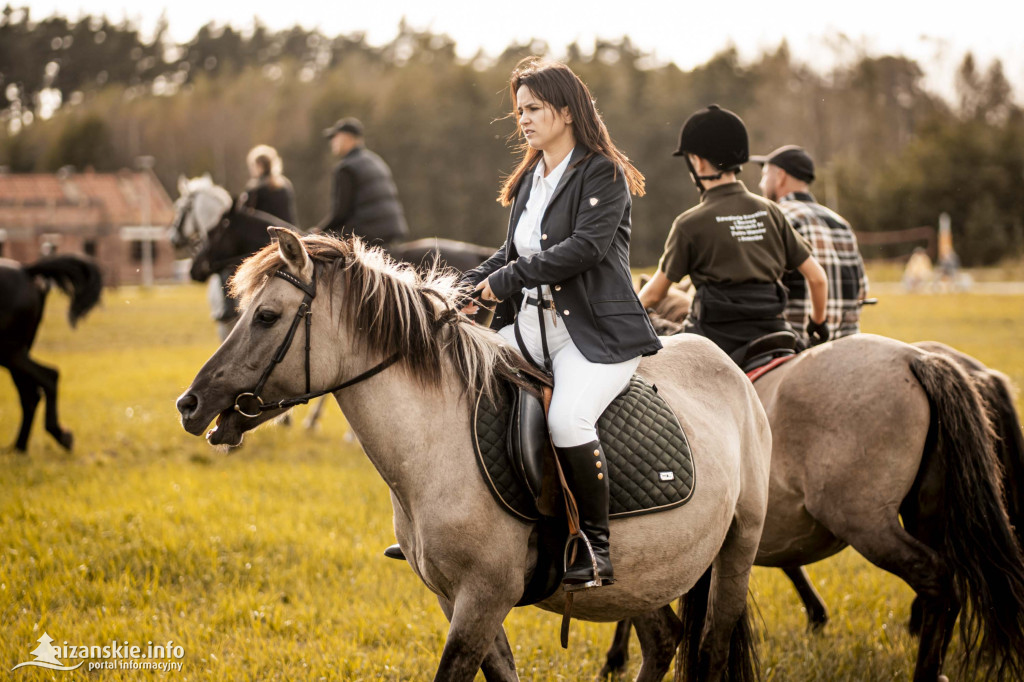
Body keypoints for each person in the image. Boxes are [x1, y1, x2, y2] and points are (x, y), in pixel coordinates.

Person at [460, 57, 662, 591]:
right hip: (528, 329)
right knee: (457, 383)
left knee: (568, 420)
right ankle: (455, 528)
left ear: (567, 111)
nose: (523, 119)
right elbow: (509, 252)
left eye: (534, 108)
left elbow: (585, 249)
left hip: (593, 335)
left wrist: (505, 280)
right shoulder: (531, 177)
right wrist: (460, 287)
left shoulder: (603, 171)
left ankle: (593, 547)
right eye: (519, 110)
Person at [638, 105, 829, 359]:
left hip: (715, 341)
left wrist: (625, 313)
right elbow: (817, 279)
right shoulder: (772, 212)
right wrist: (817, 326)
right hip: (774, 333)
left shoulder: (689, 223)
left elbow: (655, 294)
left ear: (697, 161)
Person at [754, 145, 867, 343]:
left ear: (780, 176)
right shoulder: (841, 223)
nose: (761, 184)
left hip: (796, 346)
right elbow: (862, 291)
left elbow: (759, 290)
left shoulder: (775, 219)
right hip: (845, 344)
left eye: (764, 175)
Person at [315, 117, 408, 250]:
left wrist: (318, 231)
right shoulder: (376, 160)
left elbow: (340, 214)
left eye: (335, 137)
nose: (332, 142)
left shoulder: (346, 168)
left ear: (347, 138)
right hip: (392, 232)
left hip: (368, 234)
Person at [240, 144, 299, 228]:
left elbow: (244, 215)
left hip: (265, 236)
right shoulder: (285, 185)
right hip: (288, 232)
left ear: (259, 165)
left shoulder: (255, 188)